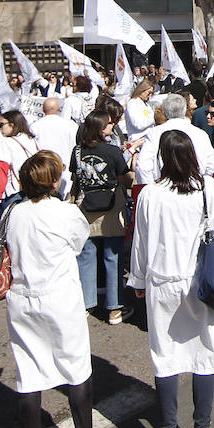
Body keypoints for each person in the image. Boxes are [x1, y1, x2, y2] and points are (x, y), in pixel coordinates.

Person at [128, 131, 214, 428]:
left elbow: (141, 242)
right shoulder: (206, 188)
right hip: (199, 280)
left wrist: (138, 280)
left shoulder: (149, 194)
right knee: (205, 352)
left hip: (161, 282)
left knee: (165, 355)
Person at [5, 150, 103, 428]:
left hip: (22, 296)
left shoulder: (13, 213)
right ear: (55, 181)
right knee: (75, 367)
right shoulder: (65, 213)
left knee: (28, 371)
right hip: (59, 296)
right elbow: (78, 243)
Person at [71, 111, 134, 324]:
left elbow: (75, 179)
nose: (112, 126)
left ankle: (86, 302)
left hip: (86, 204)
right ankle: (114, 307)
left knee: (86, 255)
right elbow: (124, 178)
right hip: (110, 206)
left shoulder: (78, 152)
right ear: (100, 128)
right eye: (108, 124)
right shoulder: (112, 150)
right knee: (112, 256)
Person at [133, 94, 214, 185]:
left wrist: (150, 189)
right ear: (185, 110)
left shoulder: (154, 133)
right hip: (194, 188)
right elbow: (212, 167)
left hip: (163, 188)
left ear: (164, 111)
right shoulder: (200, 134)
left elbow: (143, 167)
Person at [0, 110, 40, 215]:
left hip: (14, 192)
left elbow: (3, 172)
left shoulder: (7, 143)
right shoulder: (31, 140)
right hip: (33, 189)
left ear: (12, 125)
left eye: (2, 124)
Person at [31, 97, 80, 198]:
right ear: (59, 109)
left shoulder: (35, 127)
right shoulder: (71, 125)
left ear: (43, 110)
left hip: (44, 170)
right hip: (66, 171)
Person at [125, 80, 157, 144]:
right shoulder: (132, 103)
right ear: (142, 90)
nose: (150, 95)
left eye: (152, 93)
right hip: (137, 140)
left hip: (148, 139)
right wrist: (155, 118)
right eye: (149, 93)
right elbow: (138, 124)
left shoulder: (146, 104)